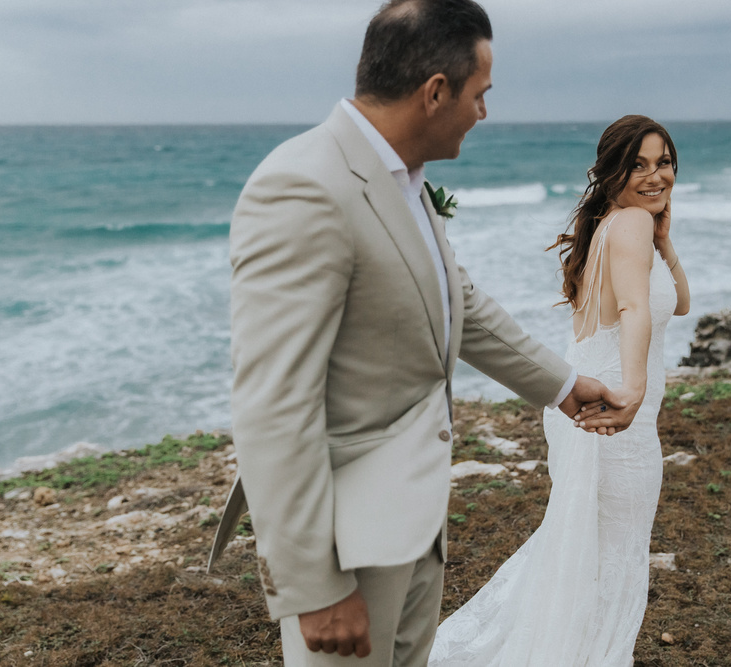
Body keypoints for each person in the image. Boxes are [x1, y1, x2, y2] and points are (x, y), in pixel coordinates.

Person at [205, 1, 630, 665]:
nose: (484, 113)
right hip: (346, 544)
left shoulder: (404, 178)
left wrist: (565, 384)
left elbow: (456, 301)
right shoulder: (304, 186)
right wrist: (314, 586)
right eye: (480, 95)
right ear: (436, 91)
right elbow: (272, 403)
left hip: (413, 524)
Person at [428, 115, 691, 666]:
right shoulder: (630, 227)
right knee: (608, 555)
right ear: (611, 171)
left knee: (580, 552)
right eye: (637, 164)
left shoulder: (624, 225)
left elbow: (679, 303)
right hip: (614, 411)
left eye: (662, 162)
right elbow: (633, 309)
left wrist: (667, 243)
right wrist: (635, 390)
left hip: (592, 406)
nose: (654, 176)